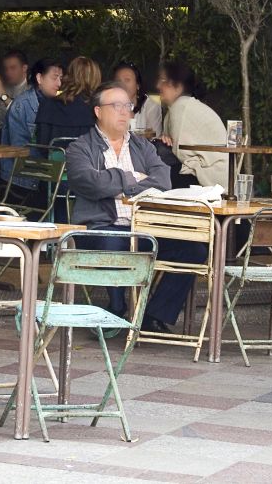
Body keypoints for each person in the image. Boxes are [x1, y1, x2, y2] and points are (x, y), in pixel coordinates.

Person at [67, 82, 205, 333]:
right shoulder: (80, 148)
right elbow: (91, 183)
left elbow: (162, 182)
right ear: (98, 111)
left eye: (128, 106)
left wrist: (116, 183)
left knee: (193, 248)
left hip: (145, 229)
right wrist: (133, 178)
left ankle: (153, 314)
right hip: (101, 228)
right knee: (113, 242)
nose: (124, 112)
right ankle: (118, 306)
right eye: (116, 106)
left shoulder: (143, 147)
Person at [156, 62, 229, 190]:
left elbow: (181, 154)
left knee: (155, 176)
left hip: (212, 176)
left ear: (177, 87)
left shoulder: (181, 107)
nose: (158, 86)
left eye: (163, 81)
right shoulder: (179, 107)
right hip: (217, 172)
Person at [1, 58, 63, 187]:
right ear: (39, 78)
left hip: (48, 173)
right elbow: (20, 149)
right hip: (23, 177)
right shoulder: (21, 105)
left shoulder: (57, 104)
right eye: (55, 78)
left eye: (61, 79)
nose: (59, 83)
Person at [35, 56, 101, 149]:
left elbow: (40, 145)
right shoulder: (98, 109)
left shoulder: (47, 104)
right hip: (87, 162)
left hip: (53, 161)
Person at [112, 61, 163, 137]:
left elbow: (154, 134)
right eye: (118, 81)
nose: (122, 85)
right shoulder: (109, 106)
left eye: (127, 80)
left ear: (137, 85)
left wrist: (128, 130)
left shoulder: (150, 105)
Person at [0, 49, 30, 123]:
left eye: (13, 68)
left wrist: (3, 95)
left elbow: (23, 117)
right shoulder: (7, 88)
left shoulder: (33, 90)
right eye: (6, 69)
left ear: (24, 68)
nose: (8, 72)